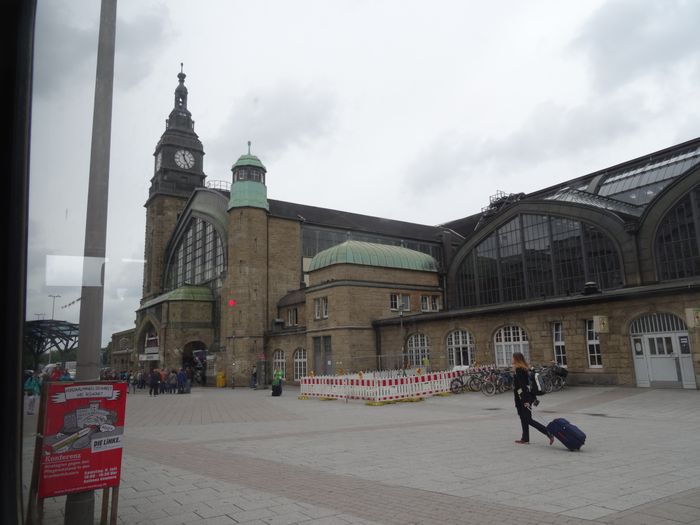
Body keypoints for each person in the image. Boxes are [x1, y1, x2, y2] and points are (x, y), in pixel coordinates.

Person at [512, 352, 553, 446]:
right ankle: (525, 438)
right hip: (524, 397)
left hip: (523, 398)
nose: (512, 359)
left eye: (513, 358)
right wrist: (532, 398)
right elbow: (528, 385)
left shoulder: (519, 369)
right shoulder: (525, 368)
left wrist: (525, 400)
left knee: (528, 419)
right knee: (523, 418)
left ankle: (548, 432)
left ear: (516, 359)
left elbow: (523, 386)